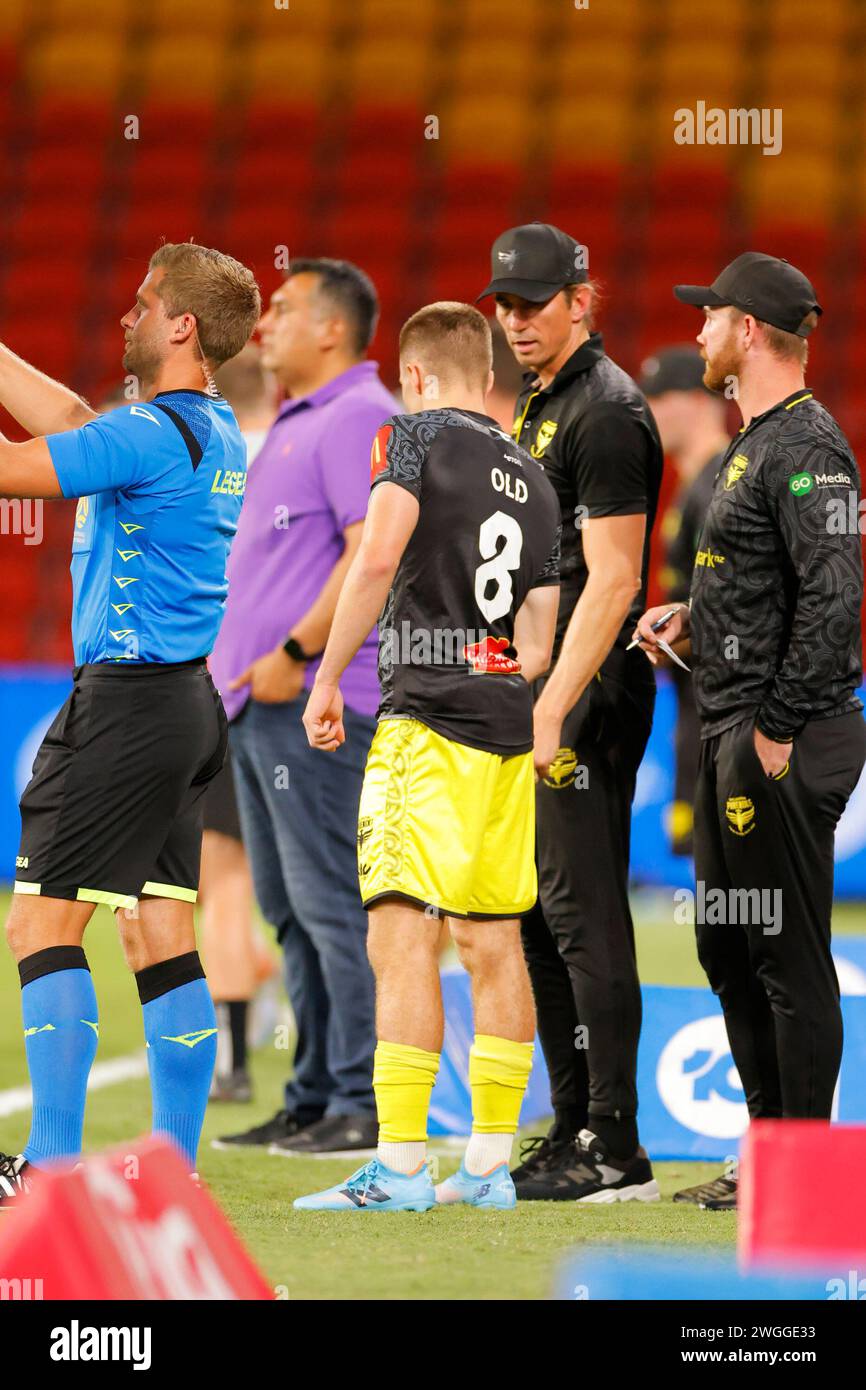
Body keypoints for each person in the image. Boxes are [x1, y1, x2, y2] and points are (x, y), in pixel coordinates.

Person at [0, 242, 261, 1204]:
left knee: (40, 925)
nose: (128, 315)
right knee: (159, 936)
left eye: (144, 301)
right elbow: (73, 422)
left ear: (181, 325)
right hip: (186, 708)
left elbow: (22, 469)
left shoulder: (154, 433)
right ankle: (173, 1170)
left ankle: (50, 1170)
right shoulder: (208, 429)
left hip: (124, 705)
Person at [292, 301, 561, 1213]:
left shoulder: (407, 438)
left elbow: (375, 558)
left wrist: (327, 678)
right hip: (502, 726)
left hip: (426, 722)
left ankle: (403, 1167)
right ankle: (488, 1169)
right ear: (485, 373)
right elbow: (537, 632)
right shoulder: (537, 474)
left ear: (414, 375)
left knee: (399, 931)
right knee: (494, 939)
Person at [635, 252, 866, 1210]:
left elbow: (837, 594)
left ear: (752, 332)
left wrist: (775, 728)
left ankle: (801, 1170)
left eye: (712, 317)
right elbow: (771, 579)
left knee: (785, 951)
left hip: (780, 733)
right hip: (733, 722)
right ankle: (766, 1152)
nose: (697, 334)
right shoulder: (754, 440)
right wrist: (695, 611)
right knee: (731, 947)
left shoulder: (808, 447)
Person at [478, 222, 663, 1202]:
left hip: (584, 693)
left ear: (580, 299)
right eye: (503, 304)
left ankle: (616, 1143)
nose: (514, 321)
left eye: (533, 302)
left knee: (582, 917)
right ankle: (572, 1123)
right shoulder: (542, 402)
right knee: (543, 920)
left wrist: (551, 704)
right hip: (542, 687)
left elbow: (616, 575)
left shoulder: (604, 411)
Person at [209, 259, 394, 1157]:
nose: (263, 325)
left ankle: (359, 1099)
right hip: (261, 705)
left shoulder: (360, 415)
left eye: (281, 309)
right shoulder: (301, 418)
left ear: (332, 329)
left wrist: (297, 653)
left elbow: (373, 552)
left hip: (317, 702)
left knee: (330, 904)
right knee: (287, 905)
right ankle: (316, 1091)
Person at [201, 345, 279, 1103]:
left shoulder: (205, 457)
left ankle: (231, 1062)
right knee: (304, 882)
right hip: (298, 686)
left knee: (219, 882)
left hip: (213, 690)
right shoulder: (298, 451)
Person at [639, 346, 730, 856]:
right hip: (697, 711)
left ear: (698, 399)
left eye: (658, 397)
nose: (648, 411)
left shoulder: (724, 483)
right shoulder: (694, 484)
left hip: (723, 718)